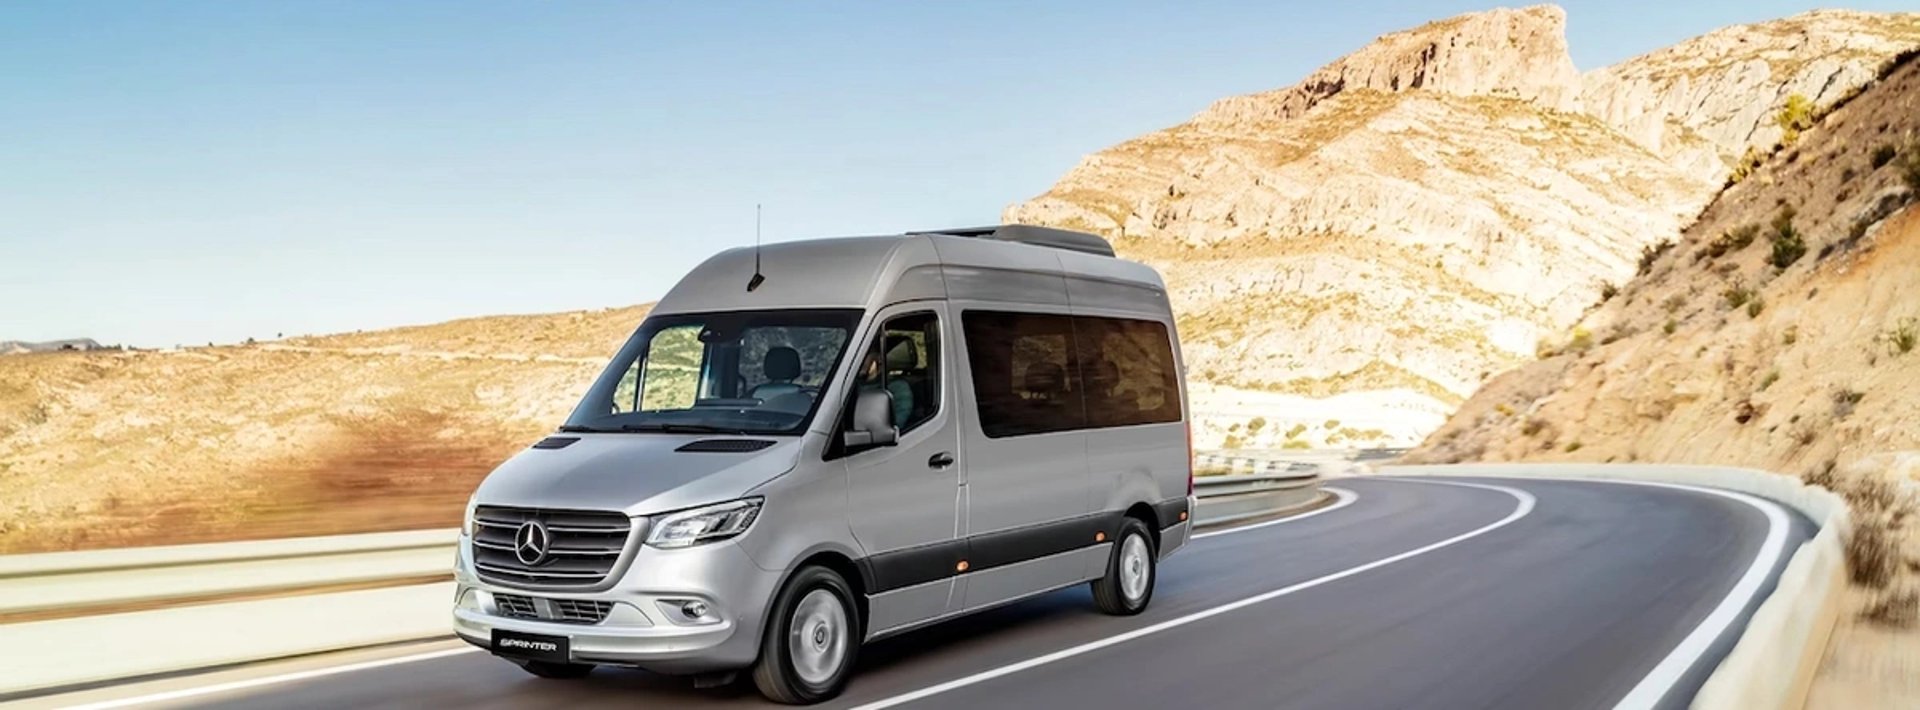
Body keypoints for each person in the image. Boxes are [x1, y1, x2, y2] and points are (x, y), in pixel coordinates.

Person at [858, 347, 913, 428]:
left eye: (863, 355)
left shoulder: (898, 387)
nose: (858, 360)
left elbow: (895, 426)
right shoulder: (847, 385)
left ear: (879, 359)